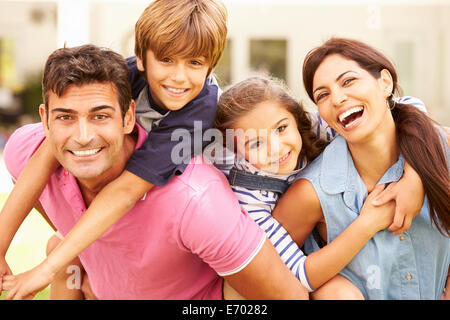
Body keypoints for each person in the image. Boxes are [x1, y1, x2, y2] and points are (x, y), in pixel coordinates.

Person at [1, 44, 310, 300]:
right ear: (45, 120)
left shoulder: (197, 201)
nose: (83, 136)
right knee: (63, 256)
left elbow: (289, 297)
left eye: (100, 116)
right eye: (66, 117)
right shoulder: (23, 153)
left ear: (128, 117)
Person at [0, 0, 231, 299]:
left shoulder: (197, 114)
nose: (178, 76)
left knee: (62, 256)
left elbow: (125, 191)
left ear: (210, 65)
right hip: (138, 204)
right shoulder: (126, 73)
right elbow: (45, 155)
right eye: (166, 59)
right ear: (142, 58)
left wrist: (42, 270)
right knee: (63, 253)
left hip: (216, 211)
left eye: (195, 63)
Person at [214, 76, 426, 299]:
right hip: (281, 273)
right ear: (236, 152)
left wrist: (414, 177)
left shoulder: (312, 128)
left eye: (281, 128)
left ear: (295, 119)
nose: (276, 148)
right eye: (255, 143)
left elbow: (410, 106)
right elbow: (299, 275)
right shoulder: (249, 199)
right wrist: (367, 224)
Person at [272, 37, 450, 299]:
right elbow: (266, 271)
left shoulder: (441, 149)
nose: (338, 98)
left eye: (348, 81)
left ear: (385, 83)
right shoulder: (314, 191)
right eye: (323, 95)